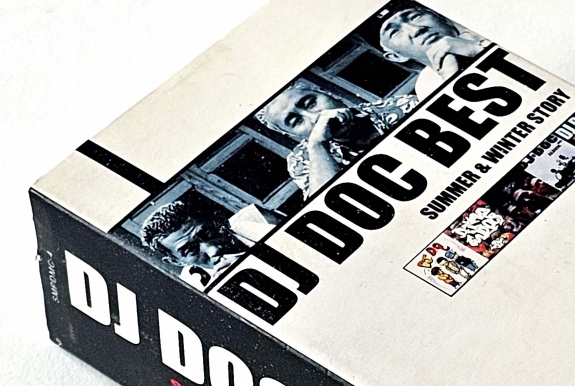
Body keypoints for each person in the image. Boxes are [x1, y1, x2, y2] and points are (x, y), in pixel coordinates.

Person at [256, 79, 417, 198]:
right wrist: (318, 146)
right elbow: (328, 207)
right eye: (296, 122)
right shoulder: (302, 161)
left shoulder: (402, 106)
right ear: (291, 134)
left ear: (329, 93)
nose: (315, 117)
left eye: (311, 104)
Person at [139, 195, 282, 284]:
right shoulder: (193, 288)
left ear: (220, 221)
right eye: (191, 250)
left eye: (208, 233)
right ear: (176, 261)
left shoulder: (256, 218)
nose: (213, 250)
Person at [378, 6, 490, 99]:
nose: (416, 30)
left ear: (445, 19)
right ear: (395, 56)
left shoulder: (486, 30)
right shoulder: (426, 86)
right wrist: (451, 81)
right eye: (395, 32)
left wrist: (480, 50)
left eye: (415, 17)